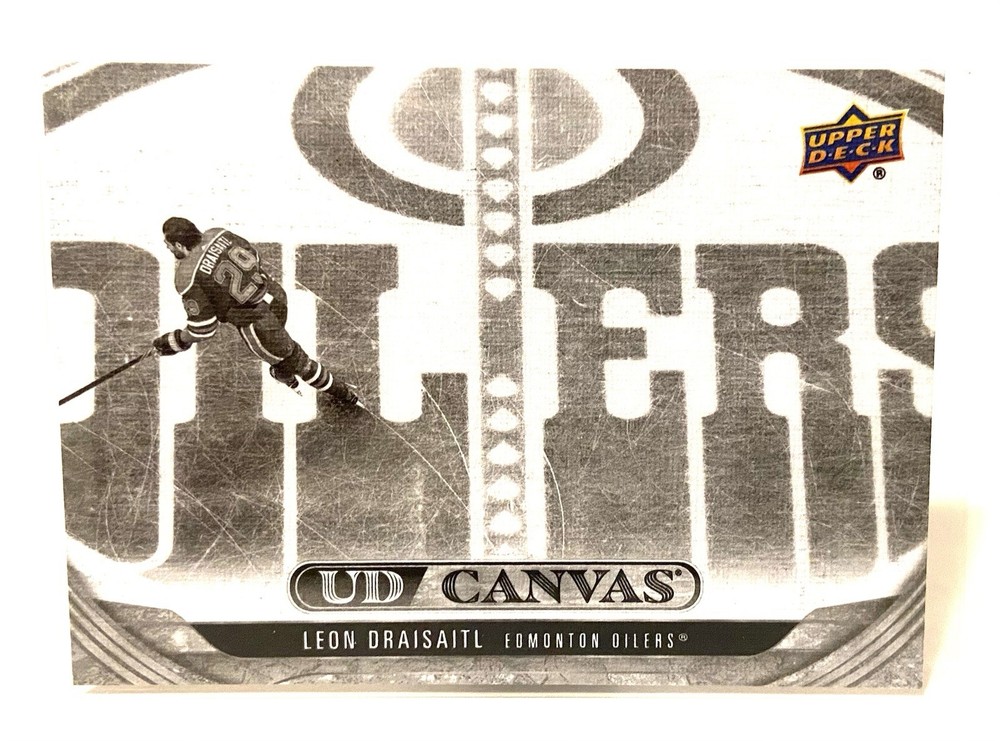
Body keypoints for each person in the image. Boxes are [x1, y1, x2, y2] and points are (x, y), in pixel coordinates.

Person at [153, 216, 361, 406]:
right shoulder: (219, 233)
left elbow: (203, 329)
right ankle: (283, 369)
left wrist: (176, 340)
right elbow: (254, 255)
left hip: (259, 323)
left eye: (168, 244)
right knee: (285, 351)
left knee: (297, 361)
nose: (167, 247)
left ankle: (345, 396)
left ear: (179, 245)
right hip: (275, 296)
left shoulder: (186, 276)